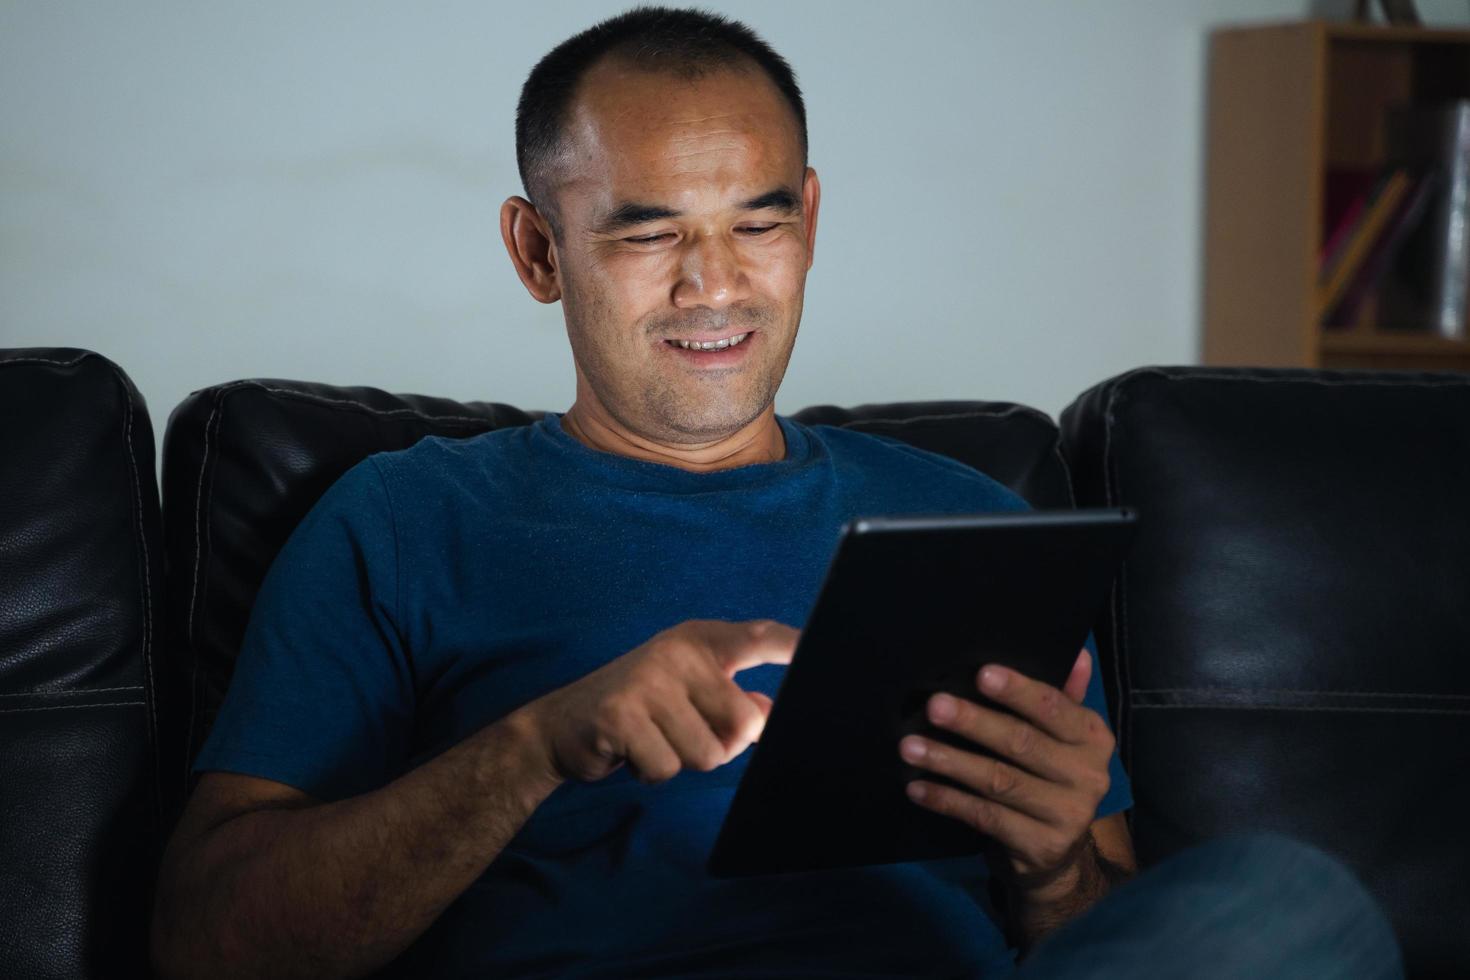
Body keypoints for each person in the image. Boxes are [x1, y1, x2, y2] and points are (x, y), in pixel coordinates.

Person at [150, 8, 1402, 978]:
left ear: (809, 218)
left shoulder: (972, 523)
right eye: (648, 233)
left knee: (1291, 903)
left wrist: (1056, 858)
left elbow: (1094, 930)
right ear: (540, 251)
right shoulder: (404, 519)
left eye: (757, 225)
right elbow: (208, 942)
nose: (716, 286)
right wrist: (535, 747)